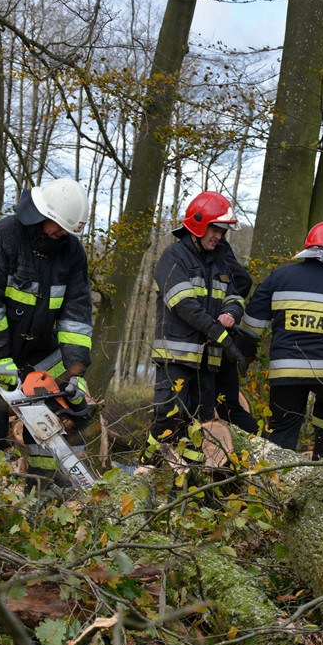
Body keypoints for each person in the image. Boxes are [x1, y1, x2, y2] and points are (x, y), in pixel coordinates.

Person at [0, 178, 94, 480]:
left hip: (39, 360)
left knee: (56, 433)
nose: (61, 234)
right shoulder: (3, 237)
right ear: (42, 214)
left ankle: (47, 506)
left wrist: (75, 373)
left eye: (67, 231)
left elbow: (77, 316)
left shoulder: (71, 253)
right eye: (57, 226)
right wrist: (0, 355)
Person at [240, 219, 323, 460]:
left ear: (308, 247)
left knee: (282, 434)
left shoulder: (278, 277)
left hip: (285, 371)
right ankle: (322, 458)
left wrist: (245, 356)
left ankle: (274, 482)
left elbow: (252, 324)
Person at [143, 191, 248, 465]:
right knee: (169, 415)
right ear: (199, 224)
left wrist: (230, 313)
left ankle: (189, 478)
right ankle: (147, 464)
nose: (219, 236)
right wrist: (221, 335)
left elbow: (236, 296)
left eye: (222, 231)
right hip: (176, 357)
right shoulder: (174, 257)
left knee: (199, 424)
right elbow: (185, 306)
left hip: (207, 359)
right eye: (216, 229)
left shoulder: (221, 262)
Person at [214, 239, 260, 436]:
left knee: (227, 407)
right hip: (218, 342)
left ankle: (268, 448)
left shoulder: (216, 249)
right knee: (228, 407)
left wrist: (224, 311)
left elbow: (243, 281)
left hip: (216, 344)